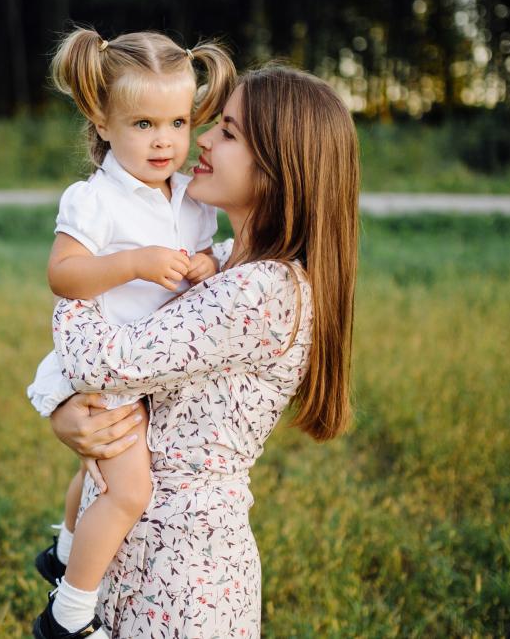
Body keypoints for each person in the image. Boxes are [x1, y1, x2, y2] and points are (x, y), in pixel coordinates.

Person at [44, 64, 360, 636]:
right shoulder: (223, 260)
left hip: (184, 575)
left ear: (277, 167)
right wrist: (71, 416)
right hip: (136, 552)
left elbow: (102, 361)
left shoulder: (261, 290)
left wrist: (76, 282)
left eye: (230, 132)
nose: (204, 139)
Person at [25, 26, 236, 639]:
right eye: (143, 124)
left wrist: (205, 263)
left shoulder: (193, 200)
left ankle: (64, 550)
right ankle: (69, 614)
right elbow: (62, 274)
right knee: (128, 491)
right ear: (102, 118)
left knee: (95, 474)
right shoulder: (96, 201)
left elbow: (202, 257)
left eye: (177, 121)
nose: (164, 140)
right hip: (108, 362)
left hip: (153, 367)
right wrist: (135, 262)